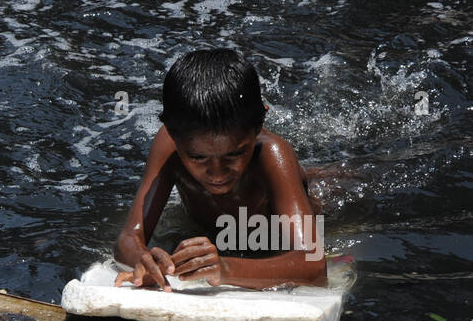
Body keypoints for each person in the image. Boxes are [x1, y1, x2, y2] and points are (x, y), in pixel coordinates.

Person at [114, 49, 326, 291]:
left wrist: (225, 269)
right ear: (173, 135)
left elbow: (314, 266)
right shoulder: (170, 145)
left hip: (278, 231)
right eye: (198, 157)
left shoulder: (272, 156)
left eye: (234, 154)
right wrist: (144, 261)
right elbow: (129, 238)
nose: (217, 173)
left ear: (258, 126)